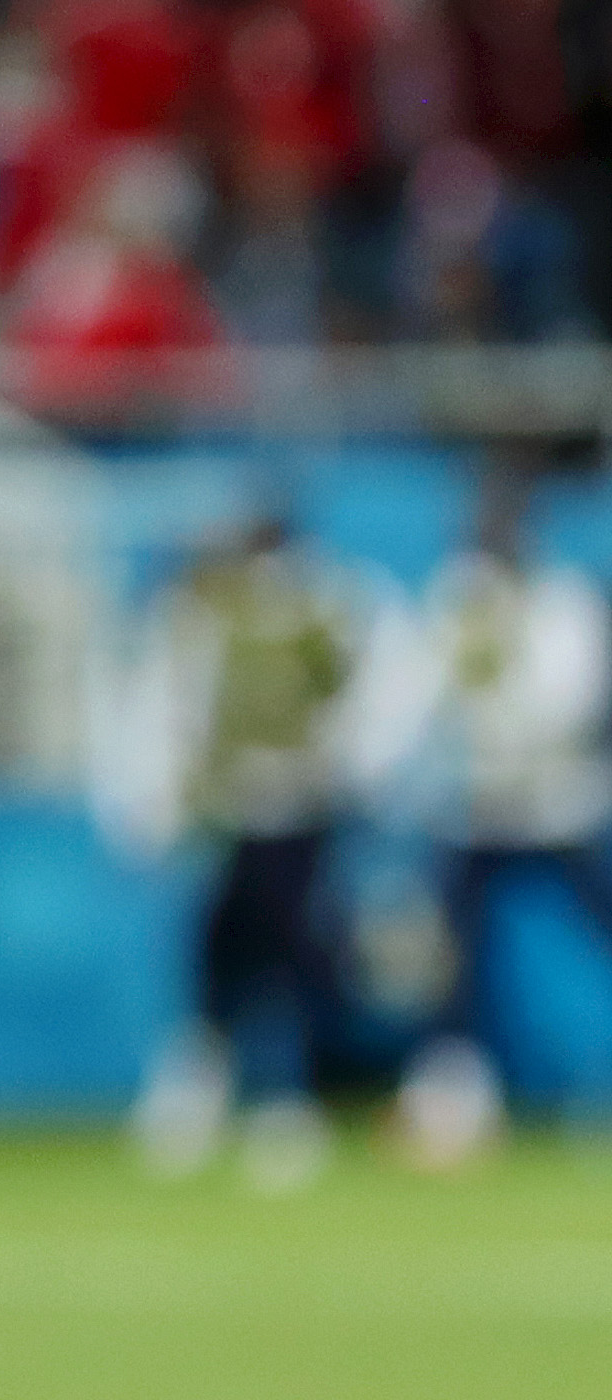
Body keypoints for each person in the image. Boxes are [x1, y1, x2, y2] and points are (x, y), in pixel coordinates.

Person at [125, 511, 367, 1189]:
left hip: (298, 808)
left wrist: (343, 770)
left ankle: (291, 1093)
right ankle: (211, 1085)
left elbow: (359, 700)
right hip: (232, 811)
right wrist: (164, 796)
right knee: (222, 947)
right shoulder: (215, 614)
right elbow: (177, 705)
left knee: (292, 949)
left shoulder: (323, 610)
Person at [390, 480, 612, 1168]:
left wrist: (502, 720)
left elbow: (572, 699)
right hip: (474, 813)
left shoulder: (561, 602)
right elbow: (420, 694)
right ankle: (450, 1099)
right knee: (449, 954)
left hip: (556, 807)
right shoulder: (456, 602)